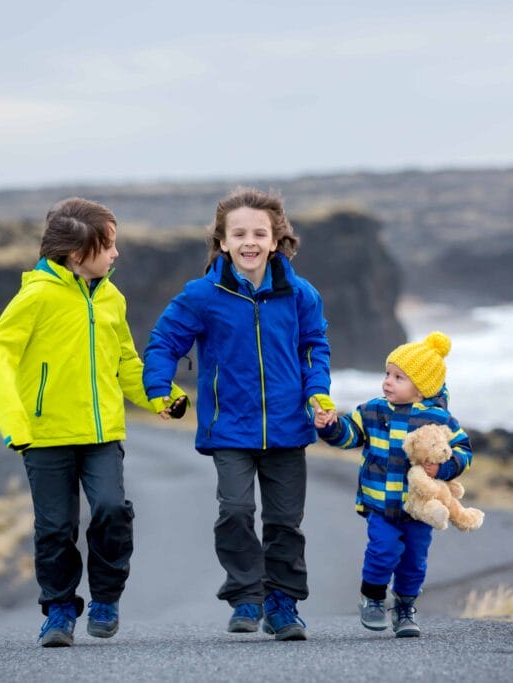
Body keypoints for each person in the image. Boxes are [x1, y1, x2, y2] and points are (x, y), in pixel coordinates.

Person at [0, 197, 186, 647]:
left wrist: (161, 397)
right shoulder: (34, 296)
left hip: (102, 434)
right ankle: (58, 611)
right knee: (55, 527)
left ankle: (106, 598)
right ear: (77, 254)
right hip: (44, 436)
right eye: (108, 245)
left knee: (113, 509)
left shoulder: (112, 297)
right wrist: (15, 422)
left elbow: (126, 362)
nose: (116, 254)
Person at [143, 187, 334, 641]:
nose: (250, 241)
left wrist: (318, 395)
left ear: (275, 239)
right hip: (229, 427)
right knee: (235, 510)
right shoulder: (203, 294)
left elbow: (314, 349)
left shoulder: (300, 294)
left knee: (285, 522)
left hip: (289, 427)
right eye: (239, 233)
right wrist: (159, 389)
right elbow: (164, 342)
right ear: (223, 242)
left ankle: (283, 606)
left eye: (259, 233)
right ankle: (247, 596)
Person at [311, 331, 472, 638]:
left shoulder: (441, 420)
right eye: (387, 373)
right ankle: (372, 599)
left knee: (414, 561)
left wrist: (443, 467)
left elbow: (464, 451)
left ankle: (405, 607)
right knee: (382, 551)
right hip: (381, 505)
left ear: (421, 386)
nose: (387, 381)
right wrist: (331, 427)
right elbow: (350, 435)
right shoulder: (373, 410)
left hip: (420, 508)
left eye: (399, 377)